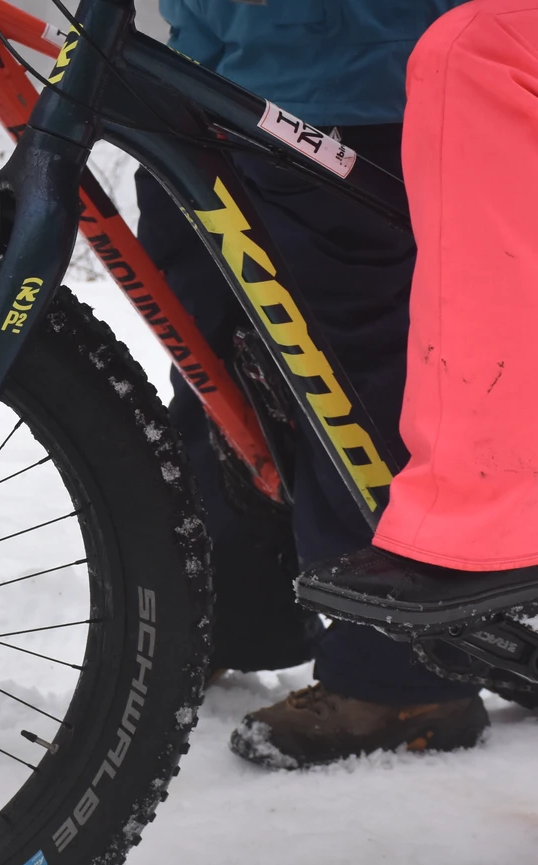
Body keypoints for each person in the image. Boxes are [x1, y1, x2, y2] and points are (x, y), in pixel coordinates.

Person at [138, 0, 480, 770]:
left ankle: (404, 672)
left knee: (348, 374)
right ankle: (243, 613)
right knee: (216, 363)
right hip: (204, 68)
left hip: (351, 75)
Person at [298, 0, 538, 629]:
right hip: (252, 49)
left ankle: (491, 517)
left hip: (356, 63)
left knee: (483, 50)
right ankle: (227, 616)